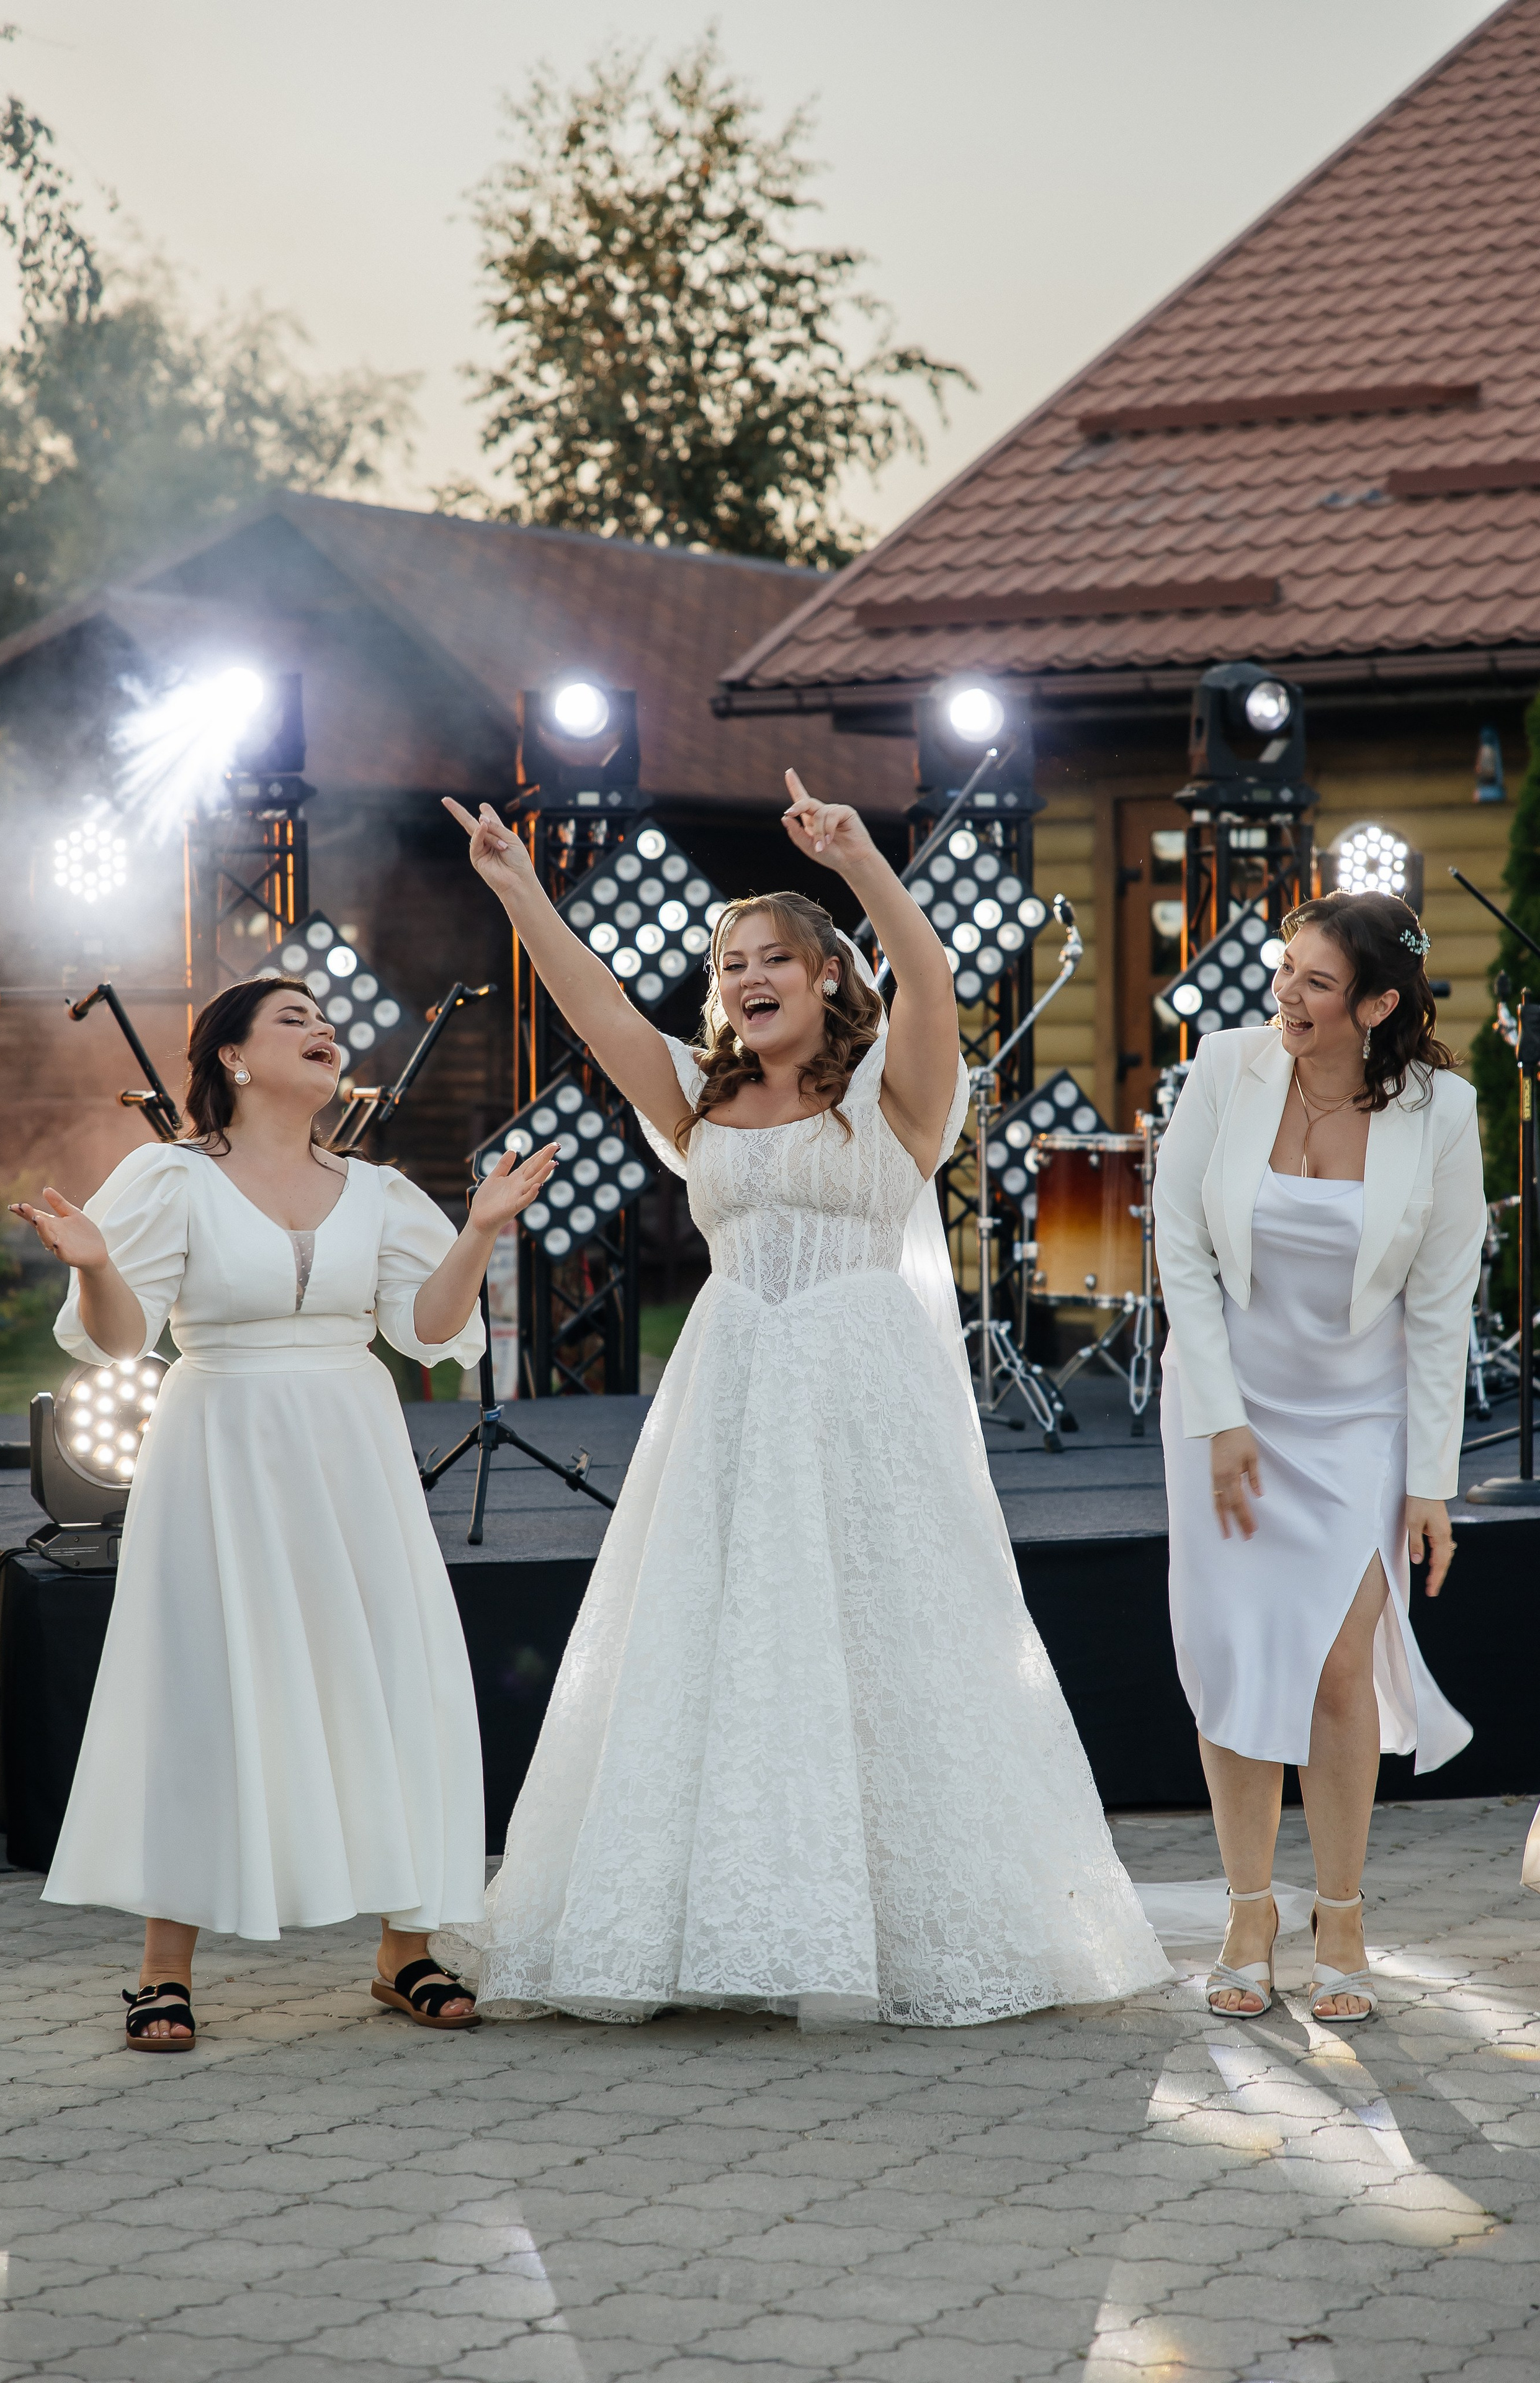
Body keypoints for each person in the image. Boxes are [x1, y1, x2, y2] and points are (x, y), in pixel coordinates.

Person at [432, 777, 1169, 2027]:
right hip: (727, 1392)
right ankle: (709, 1916)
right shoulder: (699, 1098)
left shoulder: (892, 1092)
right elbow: (598, 1007)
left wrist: (859, 861)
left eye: (774, 957)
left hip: (859, 1394)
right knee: (718, 1638)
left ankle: (888, 1916)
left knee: (880, 1638)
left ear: (829, 976)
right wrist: (516, 889)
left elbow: (930, 979)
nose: (747, 979)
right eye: (729, 965)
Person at [12, 974, 553, 2049]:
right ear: (233, 1057)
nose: (324, 1030)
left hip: (353, 1446)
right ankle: (163, 1969)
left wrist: (481, 1231)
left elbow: (425, 1329)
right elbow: (121, 1340)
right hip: (220, 1445)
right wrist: (97, 1268)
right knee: (207, 1681)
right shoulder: (171, 1177)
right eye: (293, 1019)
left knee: (392, 1667)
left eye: (326, 1021)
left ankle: (407, 1952)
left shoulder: (380, 1190)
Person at [1153, 891, 1485, 2024]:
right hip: (1224, 1407)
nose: (1285, 994)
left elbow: (1441, 1308)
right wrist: (1220, 1416)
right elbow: (1180, 1246)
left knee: (1341, 1669)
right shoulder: (1225, 1067)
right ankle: (1250, 1912)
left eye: (1317, 982)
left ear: (1379, 1005)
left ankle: (1340, 1915)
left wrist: (1429, 1481)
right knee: (1236, 1653)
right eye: (1285, 968)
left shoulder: (1443, 1112)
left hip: (1358, 1421)